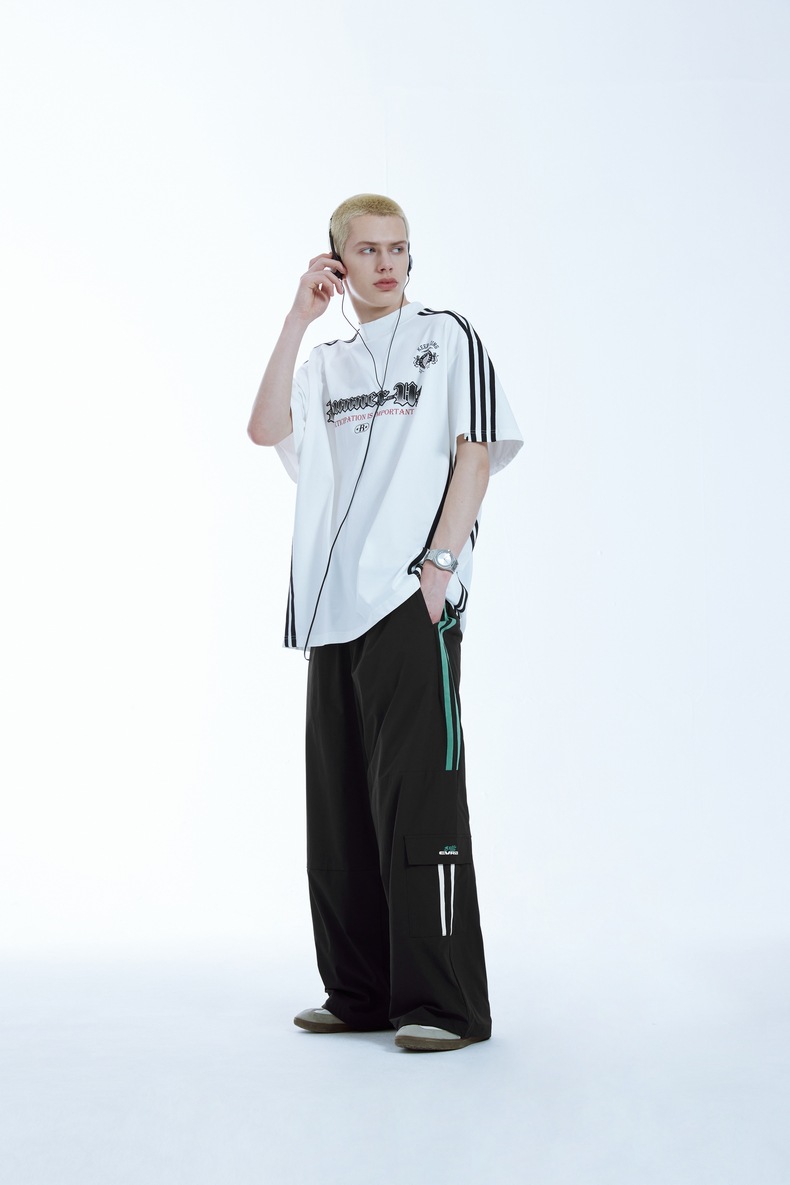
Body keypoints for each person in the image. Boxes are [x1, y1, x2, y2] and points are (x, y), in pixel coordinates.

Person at [248, 194, 522, 1052]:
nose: (386, 264)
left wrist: (438, 569)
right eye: (366, 251)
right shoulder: (323, 365)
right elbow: (264, 429)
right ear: (337, 261)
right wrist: (298, 318)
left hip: (408, 602)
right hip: (331, 612)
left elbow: (476, 450)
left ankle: (444, 1003)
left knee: (419, 802)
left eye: (397, 248)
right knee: (338, 814)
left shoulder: (448, 338)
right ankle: (360, 990)